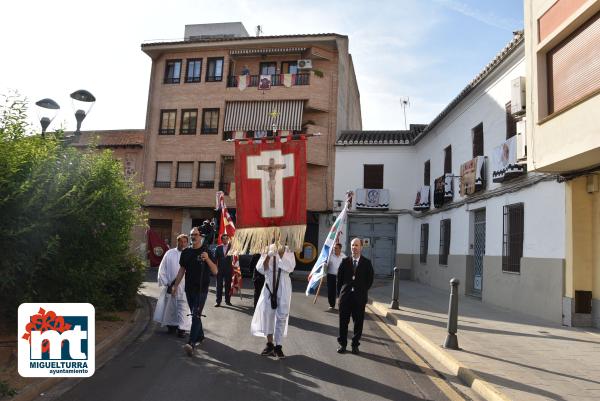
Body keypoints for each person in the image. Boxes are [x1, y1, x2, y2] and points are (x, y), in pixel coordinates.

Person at [172, 227, 218, 356]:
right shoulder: (186, 252)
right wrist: (175, 286)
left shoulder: (207, 251)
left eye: (196, 235)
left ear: (201, 236)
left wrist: (208, 259)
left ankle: (191, 343)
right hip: (189, 288)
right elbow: (182, 270)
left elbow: (215, 271)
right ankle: (200, 336)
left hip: (202, 289)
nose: (193, 237)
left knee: (196, 314)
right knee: (195, 313)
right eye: (191, 235)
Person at [251, 244, 295, 359]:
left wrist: (281, 254)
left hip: (283, 283)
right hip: (269, 283)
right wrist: (268, 256)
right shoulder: (266, 248)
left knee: (282, 315)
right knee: (267, 314)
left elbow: (291, 267)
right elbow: (260, 269)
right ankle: (270, 344)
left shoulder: (288, 249)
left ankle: (278, 346)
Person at [337, 238, 374, 355]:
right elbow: (339, 280)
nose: (354, 247)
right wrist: (340, 294)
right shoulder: (344, 262)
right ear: (350, 247)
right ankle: (343, 344)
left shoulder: (367, 263)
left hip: (359, 298)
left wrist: (362, 291)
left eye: (357, 245)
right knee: (343, 322)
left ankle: (355, 345)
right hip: (345, 298)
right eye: (352, 245)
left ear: (361, 247)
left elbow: (370, 280)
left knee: (358, 323)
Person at [153, 234, 191, 337]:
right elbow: (162, 268)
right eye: (181, 241)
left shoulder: (189, 254)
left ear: (187, 243)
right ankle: (171, 326)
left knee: (183, 307)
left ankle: (182, 328)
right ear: (177, 242)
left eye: (184, 242)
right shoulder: (169, 253)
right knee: (170, 307)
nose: (182, 244)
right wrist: (166, 282)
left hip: (184, 287)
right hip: (170, 285)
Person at [214, 233, 233, 307]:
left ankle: (227, 301)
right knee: (219, 286)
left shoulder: (232, 247)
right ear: (221, 240)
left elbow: (235, 258)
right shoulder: (218, 248)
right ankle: (218, 302)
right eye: (223, 239)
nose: (225, 240)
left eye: (226, 238)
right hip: (220, 270)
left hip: (228, 270)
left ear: (228, 239)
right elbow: (215, 259)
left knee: (228, 286)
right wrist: (215, 269)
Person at [326, 243, 346, 310]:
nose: (335, 249)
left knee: (340, 292)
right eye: (334, 248)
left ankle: (341, 305)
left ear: (340, 249)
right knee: (331, 291)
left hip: (340, 277)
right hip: (331, 276)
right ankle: (332, 305)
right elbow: (325, 265)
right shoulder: (330, 256)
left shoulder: (344, 257)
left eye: (336, 248)